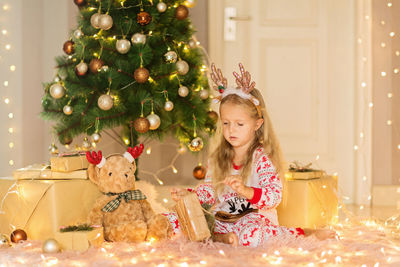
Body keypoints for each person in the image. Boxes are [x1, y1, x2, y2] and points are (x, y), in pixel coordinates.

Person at [165, 63, 336, 247]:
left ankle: (300, 233)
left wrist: (246, 191)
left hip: (253, 218)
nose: (231, 130)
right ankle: (218, 237)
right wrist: (190, 196)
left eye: (239, 124)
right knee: (174, 219)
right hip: (222, 218)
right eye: (226, 123)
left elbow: (274, 195)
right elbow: (210, 189)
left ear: (257, 124)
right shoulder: (218, 157)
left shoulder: (262, 158)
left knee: (252, 235)